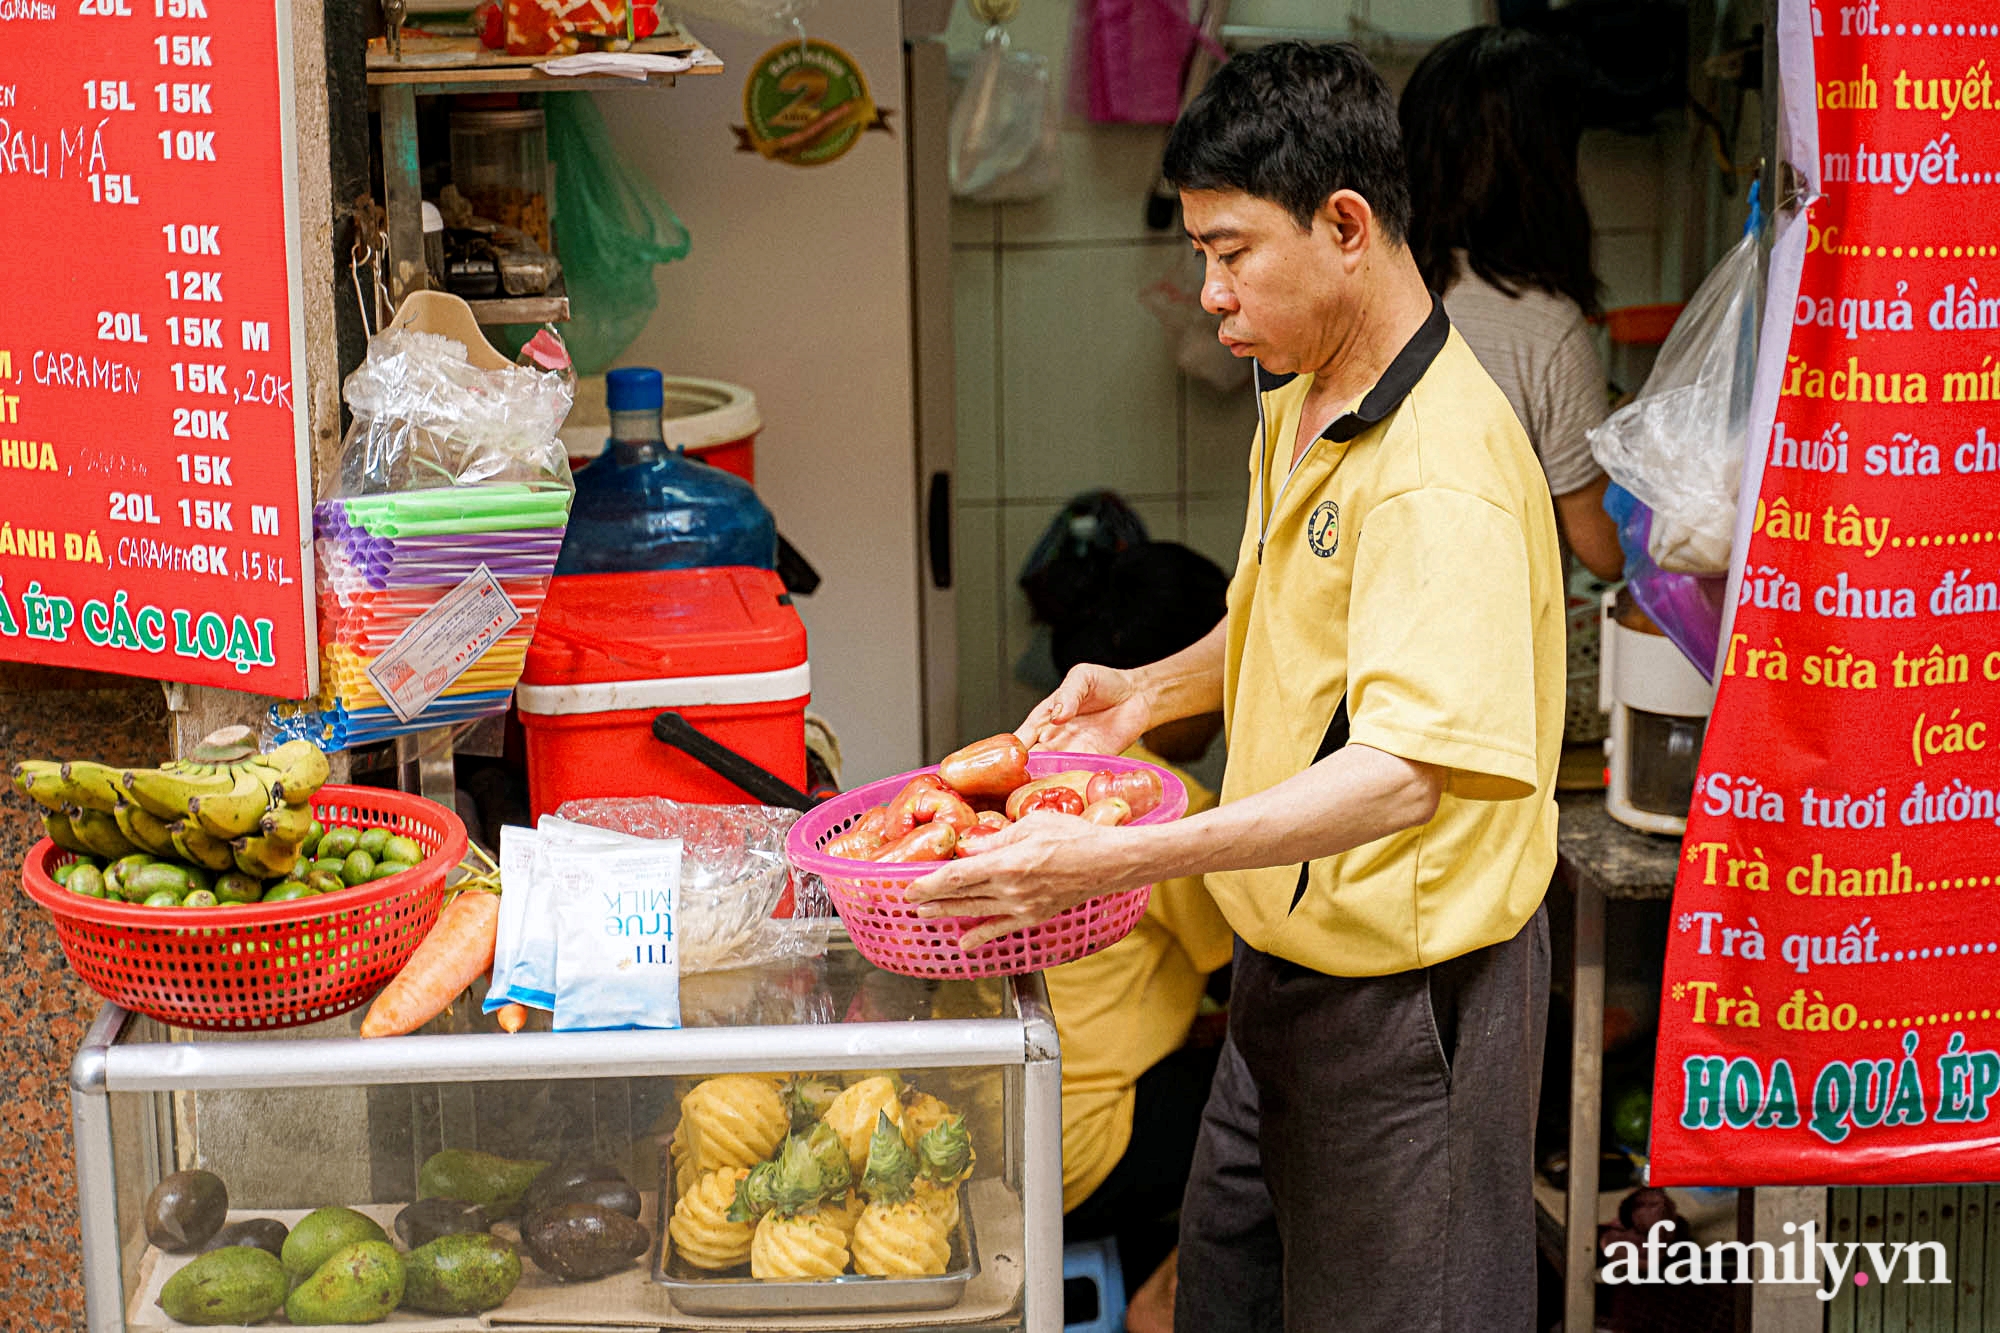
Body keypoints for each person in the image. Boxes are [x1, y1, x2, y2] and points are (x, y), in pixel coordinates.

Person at [907, 41, 1561, 1332]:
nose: (1206, 291)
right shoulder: (1308, 392)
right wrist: (1147, 692)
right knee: (1229, 1293)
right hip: (1280, 973)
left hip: (1405, 1006)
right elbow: (1293, 621)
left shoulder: (1442, 473)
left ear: (1347, 227)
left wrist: (1132, 855)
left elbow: (1399, 774)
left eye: (1230, 250)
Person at [1040, 542, 1234, 1328]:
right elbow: (1244, 975)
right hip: (1087, 1150)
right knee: (1305, 1084)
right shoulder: (1164, 800)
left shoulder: (1049, 770)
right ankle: (1171, 1295)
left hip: (1015, 1135)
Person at [1400, 25, 1624, 581]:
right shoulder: (1544, 329)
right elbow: (1605, 550)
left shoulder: (1369, 293)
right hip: (1493, 658)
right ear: (1546, 172)